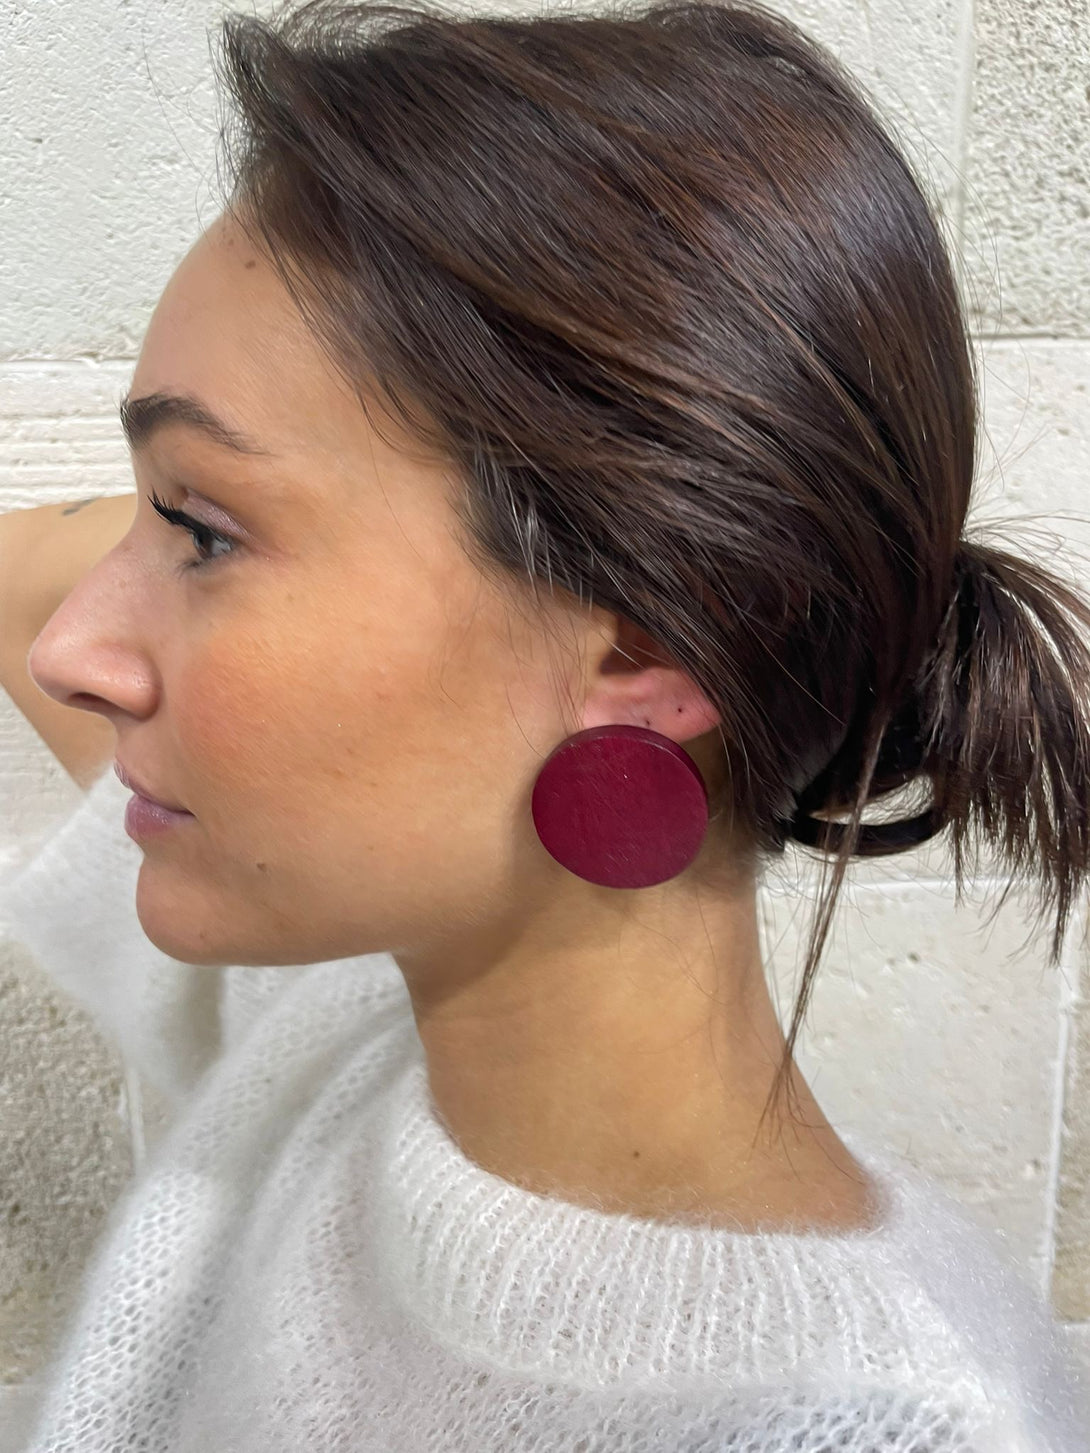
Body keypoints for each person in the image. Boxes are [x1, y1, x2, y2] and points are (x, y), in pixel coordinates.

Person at [1, 1, 1088, 1447]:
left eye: (203, 530)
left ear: (643, 643)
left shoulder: (867, 1425)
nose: (75, 653)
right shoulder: (319, 1035)